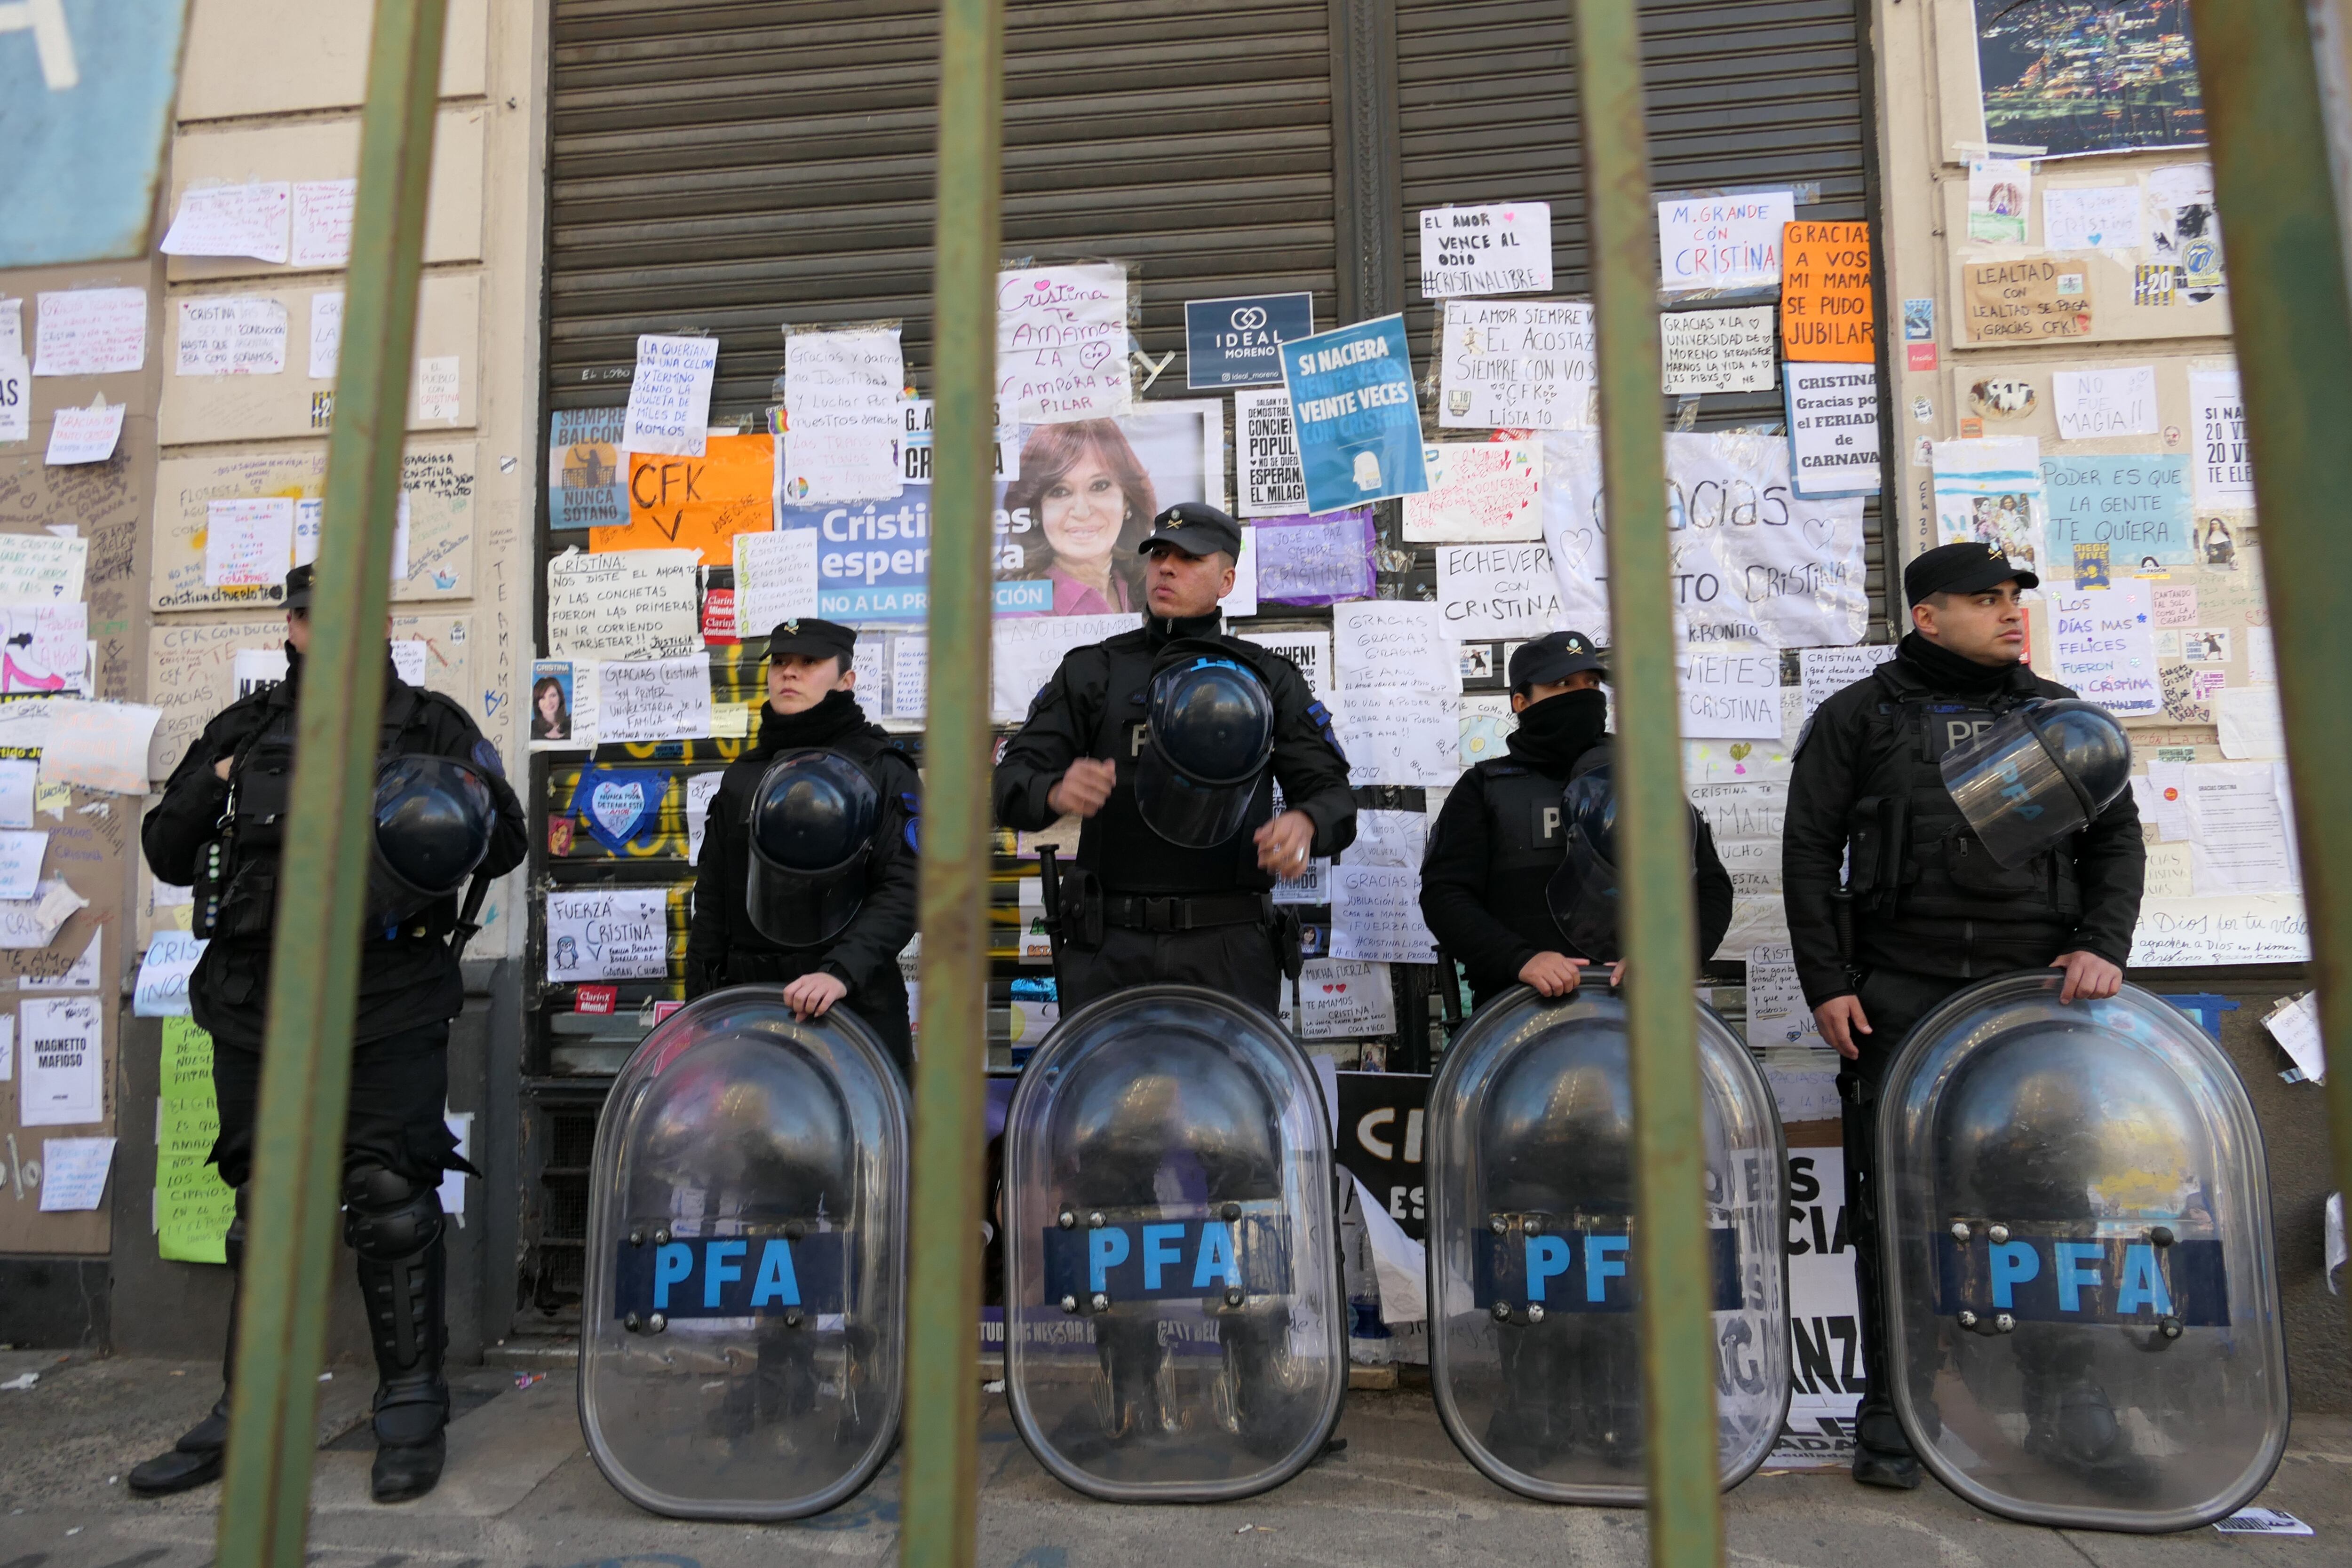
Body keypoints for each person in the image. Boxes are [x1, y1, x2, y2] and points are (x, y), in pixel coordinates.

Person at [133, 563, 528, 1504]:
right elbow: (164, 847)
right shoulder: (245, 727)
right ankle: (250, 1409)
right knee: (266, 1208)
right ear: (294, 626)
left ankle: (409, 1408)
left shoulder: (433, 723)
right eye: (313, 616)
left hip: (383, 995)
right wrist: (218, 780)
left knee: (390, 1196)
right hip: (255, 999)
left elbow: (506, 840)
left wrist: (438, 797)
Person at [1781, 541, 2145, 1492]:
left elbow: (2116, 841)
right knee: (1892, 1205)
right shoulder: (1857, 718)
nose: (2009, 612)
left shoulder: (2057, 716)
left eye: (2014, 596)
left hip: (2037, 998)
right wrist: (1827, 982)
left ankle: (2065, 1398)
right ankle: (1898, 1405)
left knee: (2049, 1205)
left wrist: (2104, 944)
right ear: (1926, 615)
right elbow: (1808, 854)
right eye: (1984, 599)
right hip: (1899, 991)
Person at [993, 502, 1354, 1013]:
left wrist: (1306, 822)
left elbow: (1334, 797)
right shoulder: (1094, 671)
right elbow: (1010, 784)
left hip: (1226, 946)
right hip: (1110, 946)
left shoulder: (1268, 679)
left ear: (1225, 581)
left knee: (1227, 1093)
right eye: (1159, 553)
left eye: (1189, 558)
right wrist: (1052, 791)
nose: (1166, 567)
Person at [1420, 631, 1734, 1010]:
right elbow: (1445, 896)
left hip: (1640, 1015)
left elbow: (1710, 888)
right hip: (1518, 1013)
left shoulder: (1644, 782)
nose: (1584, 694)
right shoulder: (1483, 789)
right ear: (1522, 702)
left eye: (1592, 683)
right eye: (1563, 684)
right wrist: (1520, 960)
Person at [685, 617, 920, 1074]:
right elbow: (712, 900)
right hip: (749, 1010)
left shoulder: (881, 768)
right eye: (779, 662)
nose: (788, 673)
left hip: (850, 1006)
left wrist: (840, 973)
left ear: (846, 680)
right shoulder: (743, 775)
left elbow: (907, 887)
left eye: (809, 662)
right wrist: (701, 1010)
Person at [1001, 420, 1157, 616]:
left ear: (1127, 500)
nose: (1082, 512)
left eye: (1099, 486)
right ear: (1035, 511)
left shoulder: (1144, 589)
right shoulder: (1021, 609)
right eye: (1060, 492)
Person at [530, 673, 571, 741]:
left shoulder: (572, 726)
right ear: (537, 703)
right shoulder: (531, 729)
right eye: (543, 698)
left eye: (553, 696)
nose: (548, 702)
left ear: (560, 698)